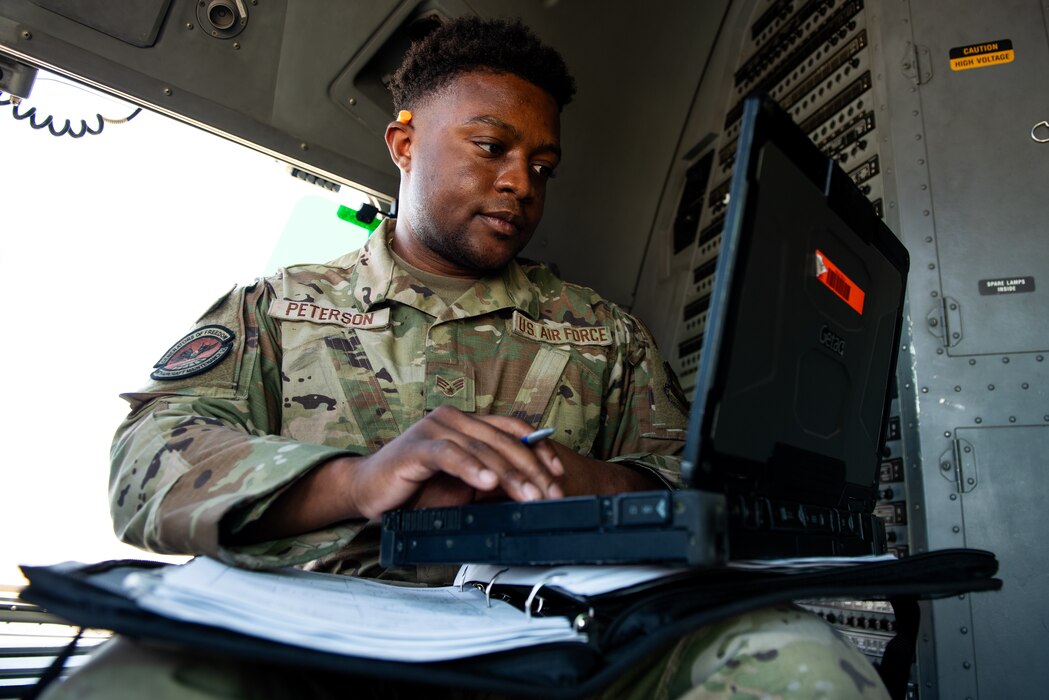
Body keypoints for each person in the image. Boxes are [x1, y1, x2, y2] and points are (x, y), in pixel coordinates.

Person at [46, 16, 890, 700]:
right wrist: (358, 480)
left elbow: (696, 479)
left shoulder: (603, 331)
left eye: (543, 164)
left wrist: (601, 484)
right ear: (404, 144)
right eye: (491, 147)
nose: (521, 182)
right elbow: (146, 460)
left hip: (543, 632)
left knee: (798, 667)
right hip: (310, 633)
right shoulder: (273, 309)